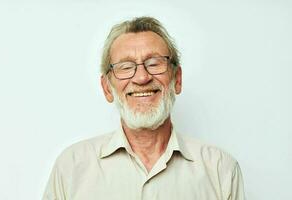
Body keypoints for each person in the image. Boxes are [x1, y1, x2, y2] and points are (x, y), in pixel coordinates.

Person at [43, 16, 245, 200]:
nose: (142, 78)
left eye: (155, 63)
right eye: (125, 66)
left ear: (177, 79)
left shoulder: (220, 170)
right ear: (107, 88)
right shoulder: (71, 168)